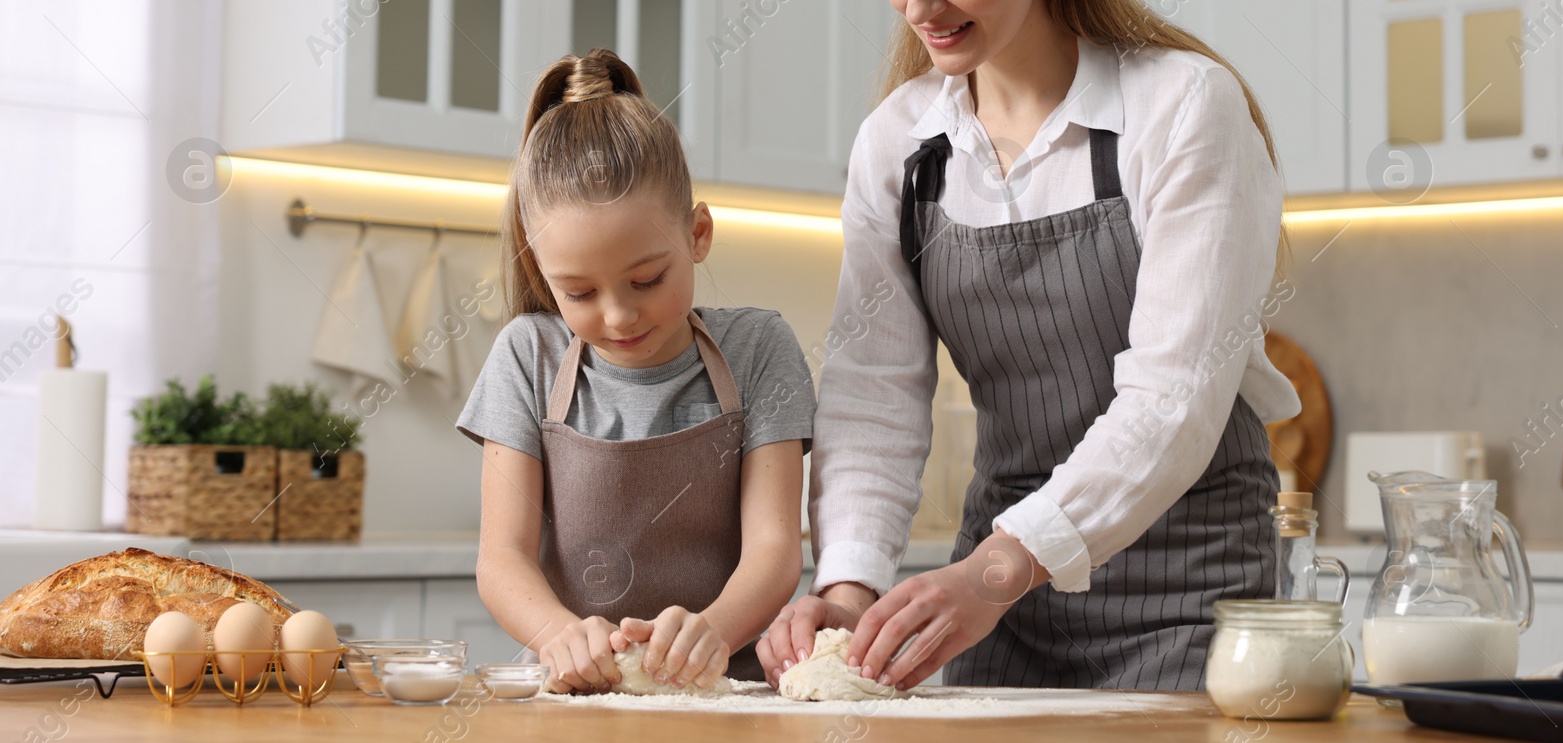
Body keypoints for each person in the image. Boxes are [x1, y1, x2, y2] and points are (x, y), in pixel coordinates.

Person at [756, 0, 1301, 692]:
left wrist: (999, 569)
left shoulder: (1183, 106)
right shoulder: (899, 144)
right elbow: (872, 395)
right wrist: (848, 588)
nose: (920, 9)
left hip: (1187, 585)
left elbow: (1175, 401)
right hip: (1003, 603)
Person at [458, 49, 816, 693]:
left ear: (699, 234)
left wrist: (714, 631)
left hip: (723, 696)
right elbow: (501, 558)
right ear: (543, 275)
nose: (620, 315)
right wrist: (557, 636)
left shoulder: (760, 347)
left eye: (647, 279)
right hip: (571, 697)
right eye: (580, 293)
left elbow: (774, 549)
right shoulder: (526, 354)